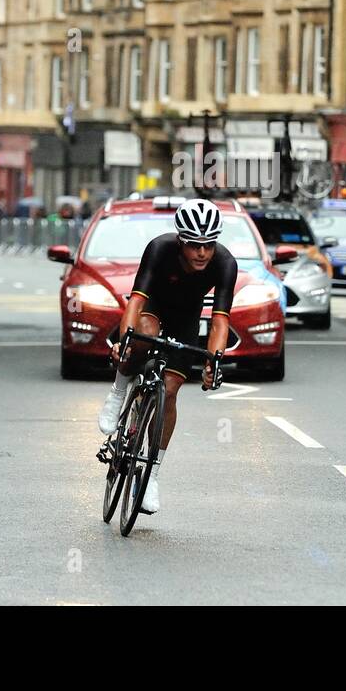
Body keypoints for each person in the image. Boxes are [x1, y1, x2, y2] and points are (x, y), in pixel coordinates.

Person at [95, 199, 238, 515]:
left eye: (208, 245)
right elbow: (135, 301)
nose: (201, 253)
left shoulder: (225, 263)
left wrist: (214, 361)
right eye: (193, 245)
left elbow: (219, 320)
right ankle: (119, 391)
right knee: (143, 332)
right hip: (154, 308)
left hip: (186, 319)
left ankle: (151, 476)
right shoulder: (159, 249)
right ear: (180, 241)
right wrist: (124, 341)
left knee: (170, 392)